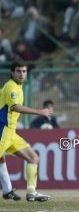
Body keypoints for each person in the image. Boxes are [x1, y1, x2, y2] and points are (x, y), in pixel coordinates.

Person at [0, 61, 52, 202]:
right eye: (18, 71)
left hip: (10, 132)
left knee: (33, 158)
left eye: (24, 71)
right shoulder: (11, 86)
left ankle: (31, 192)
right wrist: (40, 112)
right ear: (12, 72)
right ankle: (8, 191)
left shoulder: (18, 87)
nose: (22, 74)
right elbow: (16, 107)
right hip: (2, 130)